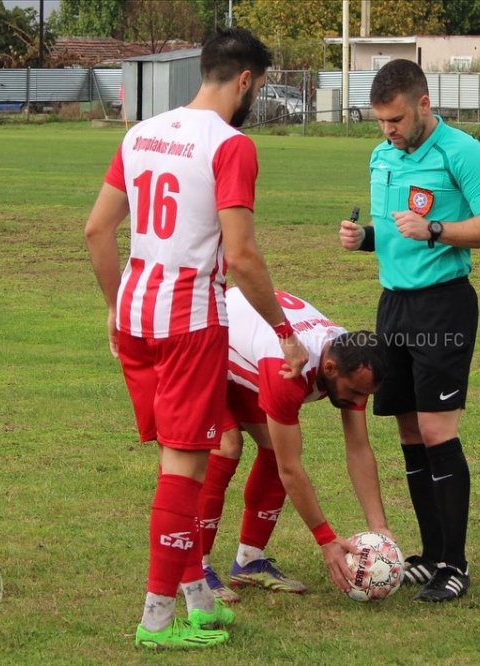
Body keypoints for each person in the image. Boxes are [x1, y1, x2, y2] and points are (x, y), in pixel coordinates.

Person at [84, 27, 308, 650]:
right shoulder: (232, 145)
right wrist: (284, 332)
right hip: (188, 322)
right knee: (184, 465)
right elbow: (240, 256)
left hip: (135, 314)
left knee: (176, 456)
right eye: (257, 86)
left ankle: (199, 600)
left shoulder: (139, 133)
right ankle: (158, 619)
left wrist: (111, 306)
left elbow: (97, 231)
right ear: (244, 81)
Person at [338, 59, 480, 602]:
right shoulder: (381, 155)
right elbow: (397, 232)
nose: (387, 130)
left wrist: (437, 228)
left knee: (439, 433)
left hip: (443, 307)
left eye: (395, 119)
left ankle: (455, 565)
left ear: (423, 104)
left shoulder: (462, 153)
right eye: (380, 122)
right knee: (409, 432)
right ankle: (430, 554)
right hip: (393, 306)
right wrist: (364, 237)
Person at [196, 287, 391, 602]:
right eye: (356, 393)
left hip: (238, 347)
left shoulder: (349, 359)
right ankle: (193, 569)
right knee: (227, 445)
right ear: (329, 369)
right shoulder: (288, 371)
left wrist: (378, 527)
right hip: (200, 347)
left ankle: (249, 561)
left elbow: (358, 449)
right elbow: (291, 470)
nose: (359, 401)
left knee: (275, 447)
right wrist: (326, 540)